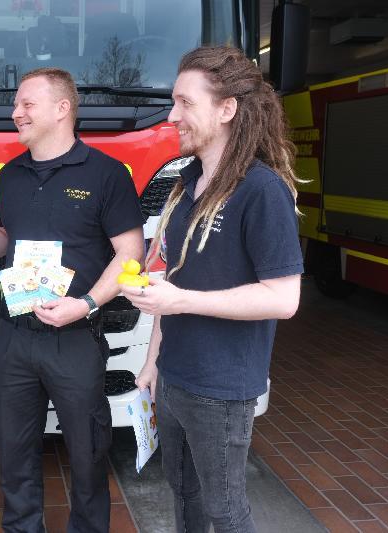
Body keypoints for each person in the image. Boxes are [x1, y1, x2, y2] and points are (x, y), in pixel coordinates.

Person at [0, 68, 145, 532]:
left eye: (26, 104)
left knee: (88, 453)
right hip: (15, 336)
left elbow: (130, 253)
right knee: (13, 453)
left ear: (62, 109)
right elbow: (3, 235)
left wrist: (88, 304)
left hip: (75, 337)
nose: (15, 113)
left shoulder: (107, 174)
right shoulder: (11, 175)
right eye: (17, 105)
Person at [119, 46, 303, 533]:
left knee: (225, 511)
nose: (172, 115)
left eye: (185, 103)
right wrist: (153, 359)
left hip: (222, 388)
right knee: (185, 497)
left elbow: (284, 299)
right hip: (175, 378)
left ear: (227, 109)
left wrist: (180, 301)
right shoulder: (188, 182)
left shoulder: (262, 190)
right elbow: (176, 278)